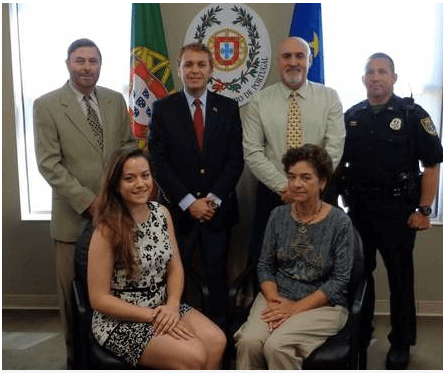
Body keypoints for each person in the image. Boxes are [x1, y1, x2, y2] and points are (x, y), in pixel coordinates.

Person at [337, 53, 443, 369]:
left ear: (394, 78)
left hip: (398, 210)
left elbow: (432, 164)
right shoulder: (352, 116)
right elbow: (338, 163)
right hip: (359, 209)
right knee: (359, 276)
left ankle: (401, 343)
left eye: (382, 71)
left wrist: (424, 209)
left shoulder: (412, 114)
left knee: (400, 279)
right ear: (363, 79)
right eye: (370, 72)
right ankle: (360, 332)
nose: (376, 77)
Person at [33, 38, 134, 368]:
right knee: (73, 298)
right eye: (80, 61)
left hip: (117, 216)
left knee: (114, 293)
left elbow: (128, 148)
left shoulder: (115, 100)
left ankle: (113, 356)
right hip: (73, 220)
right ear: (68, 64)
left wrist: (122, 193)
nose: (87, 67)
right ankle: (75, 360)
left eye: (93, 61)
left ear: (101, 65)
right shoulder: (47, 105)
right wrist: (89, 202)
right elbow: (49, 164)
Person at [88, 146, 226, 369]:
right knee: (194, 355)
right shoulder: (106, 230)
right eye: (130, 178)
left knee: (217, 342)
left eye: (145, 175)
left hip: (163, 307)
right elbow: (99, 299)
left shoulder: (161, 213)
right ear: (116, 185)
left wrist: (171, 306)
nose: (141, 184)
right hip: (122, 320)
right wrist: (152, 316)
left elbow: (175, 268)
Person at [148, 43, 244, 328]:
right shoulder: (163, 109)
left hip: (218, 214)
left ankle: (219, 342)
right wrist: (190, 202)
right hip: (178, 214)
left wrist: (211, 200)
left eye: (201, 64)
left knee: (217, 279)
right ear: (179, 69)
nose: (195, 70)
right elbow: (159, 162)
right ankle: (178, 337)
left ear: (211, 70)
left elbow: (235, 159)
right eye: (188, 64)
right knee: (176, 280)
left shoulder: (228, 107)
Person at [235, 144, 354, 369]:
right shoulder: (278, 215)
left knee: (277, 346)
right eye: (292, 177)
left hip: (322, 305)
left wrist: (293, 309)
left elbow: (339, 281)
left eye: (306, 177)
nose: (297, 184)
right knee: (249, 343)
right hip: (277, 297)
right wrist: (276, 302)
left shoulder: (340, 222)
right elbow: (265, 266)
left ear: (322, 182)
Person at [243, 36, 345, 262]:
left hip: (320, 194)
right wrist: (285, 187)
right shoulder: (260, 100)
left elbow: (335, 146)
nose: (293, 62)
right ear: (279, 61)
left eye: (300, 56)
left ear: (309, 60)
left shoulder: (329, 97)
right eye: (287, 56)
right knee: (268, 259)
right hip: (275, 194)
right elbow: (252, 150)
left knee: (321, 258)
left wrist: (310, 185)